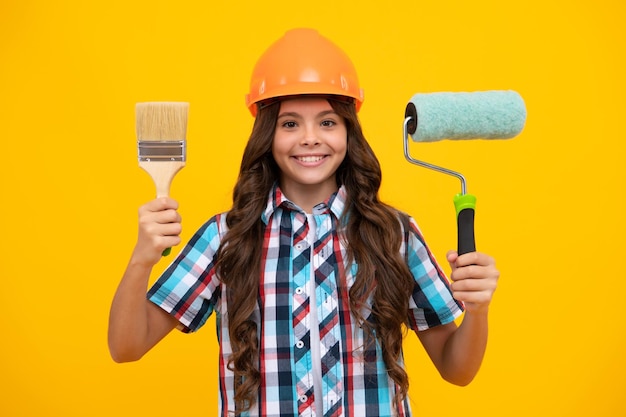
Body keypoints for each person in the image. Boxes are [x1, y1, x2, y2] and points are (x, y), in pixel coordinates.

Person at [108, 28, 499, 417]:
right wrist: (142, 257)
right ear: (267, 135)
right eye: (290, 124)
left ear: (349, 131)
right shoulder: (225, 237)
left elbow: (457, 369)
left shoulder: (394, 234)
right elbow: (126, 347)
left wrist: (477, 309)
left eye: (327, 122)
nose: (310, 138)